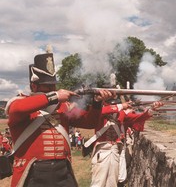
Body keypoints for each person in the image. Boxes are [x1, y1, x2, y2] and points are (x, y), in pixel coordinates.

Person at [5, 51, 114, 187]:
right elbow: (17, 108)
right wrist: (54, 96)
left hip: (63, 170)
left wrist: (97, 103)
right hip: (32, 171)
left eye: (54, 86)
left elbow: (90, 122)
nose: (53, 88)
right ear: (34, 86)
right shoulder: (21, 102)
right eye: (48, 86)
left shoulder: (63, 107)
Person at [86, 98, 163, 187]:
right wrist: (121, 106)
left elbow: (138, 117)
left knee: (112, 183)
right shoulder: (100, 112)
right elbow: (98, 111)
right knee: (98, 182)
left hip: (115, 149)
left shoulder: (121, 114)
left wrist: (151, 109)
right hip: (102, 149)